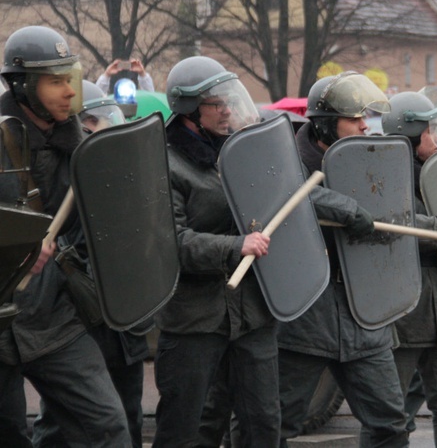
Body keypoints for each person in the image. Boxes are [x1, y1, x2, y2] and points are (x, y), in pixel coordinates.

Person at [0, 25, 130, 446]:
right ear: (21, 85)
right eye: (54, 82)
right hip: (1, 316)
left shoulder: (83, 145)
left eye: (68, 78)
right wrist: (14, 250)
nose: (70, 93)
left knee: (107, 425)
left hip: (54, 315)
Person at [152, 55, 281, 446]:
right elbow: (172, 242)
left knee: (263, 423)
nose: (227, 110)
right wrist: (235, 245)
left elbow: (282, 193)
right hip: (193, 319)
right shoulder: (164, 163)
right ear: (190, 109)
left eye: (228, 101)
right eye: (216, 103)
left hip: (251, 315)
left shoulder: (238, 152)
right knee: (186, 427)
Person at [277, 71, 409, 447]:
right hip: (304, 320)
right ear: (325, 124)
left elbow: (393, 213)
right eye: (355, 119)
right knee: (273, 425)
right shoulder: (287, 159)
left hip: (363, 314)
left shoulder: (367, 159)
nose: (365, 127)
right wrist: (345, 208)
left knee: (390, 425)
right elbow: (287, 194)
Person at [383, 91, 437, 447]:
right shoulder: (382, 173)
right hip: (402, 308)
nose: (436, 139)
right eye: (428, 132)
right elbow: (392, 221)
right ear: (410, 133)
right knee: (390, 411)